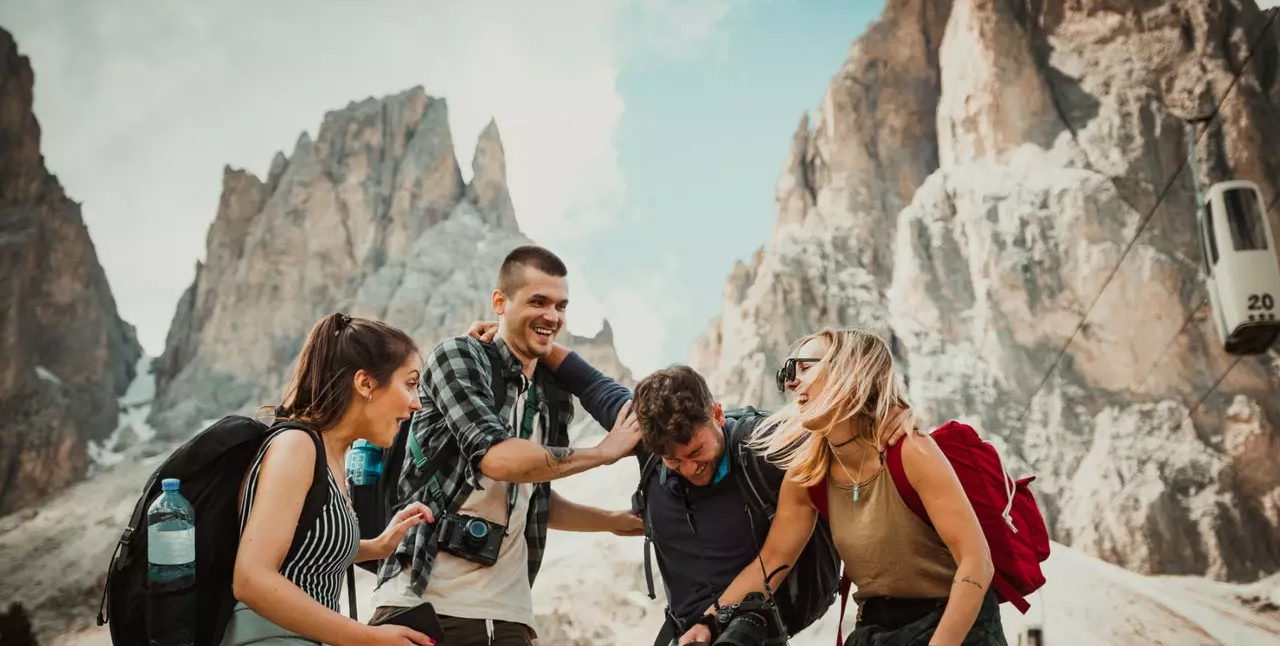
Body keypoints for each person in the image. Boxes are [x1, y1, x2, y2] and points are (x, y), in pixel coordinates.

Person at [465, 322, 915, 646]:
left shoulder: (765, 445)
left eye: (697, 453)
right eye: (672, 461)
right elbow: (587, 381)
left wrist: (892, 412)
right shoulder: (645, 435)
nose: (688, 469)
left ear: (717, 414)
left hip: (757, 619)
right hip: (686, 626)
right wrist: (518, 335)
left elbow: (843, 425)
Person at [368, 245, 644, 646]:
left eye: (561, 306)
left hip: (510, 618)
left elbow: (534, 491)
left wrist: (612, 521)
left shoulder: (552, 396)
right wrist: (603, 454)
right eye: (538, 301)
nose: (552, 316)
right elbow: (497, 459)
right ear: (500, 301)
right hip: (422, 605)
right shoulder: (458, 357)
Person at [706, 327, 1005, 646]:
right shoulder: (808, 473)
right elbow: (772, 562)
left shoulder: (909, 450)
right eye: (788, 372)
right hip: (876, 629)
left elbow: (977, 562)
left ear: (849, 370)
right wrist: (708, 621)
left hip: (955, 626)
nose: (791, 382)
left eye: (804, 367)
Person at [225, 312, 438, 646]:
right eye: (410, 384)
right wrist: (369, 638)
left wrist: (379, 545)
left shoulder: (331, 457)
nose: (416, 403)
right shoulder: (297, 446)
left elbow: (304, 547)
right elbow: (251, 579)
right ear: (366, 383)